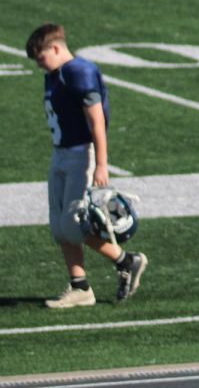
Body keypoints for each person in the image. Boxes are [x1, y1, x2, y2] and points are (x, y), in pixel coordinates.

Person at [25, 24, 147, 308]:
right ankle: (80, 287)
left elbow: (97, 121)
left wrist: (102, 164)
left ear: (55, 48)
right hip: (60, 153)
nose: (40, 65)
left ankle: (127, 261)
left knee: (73, 224)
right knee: (58, 227)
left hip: (82, 154)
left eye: (41, 58)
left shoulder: (78, 71)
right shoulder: (55, 74)